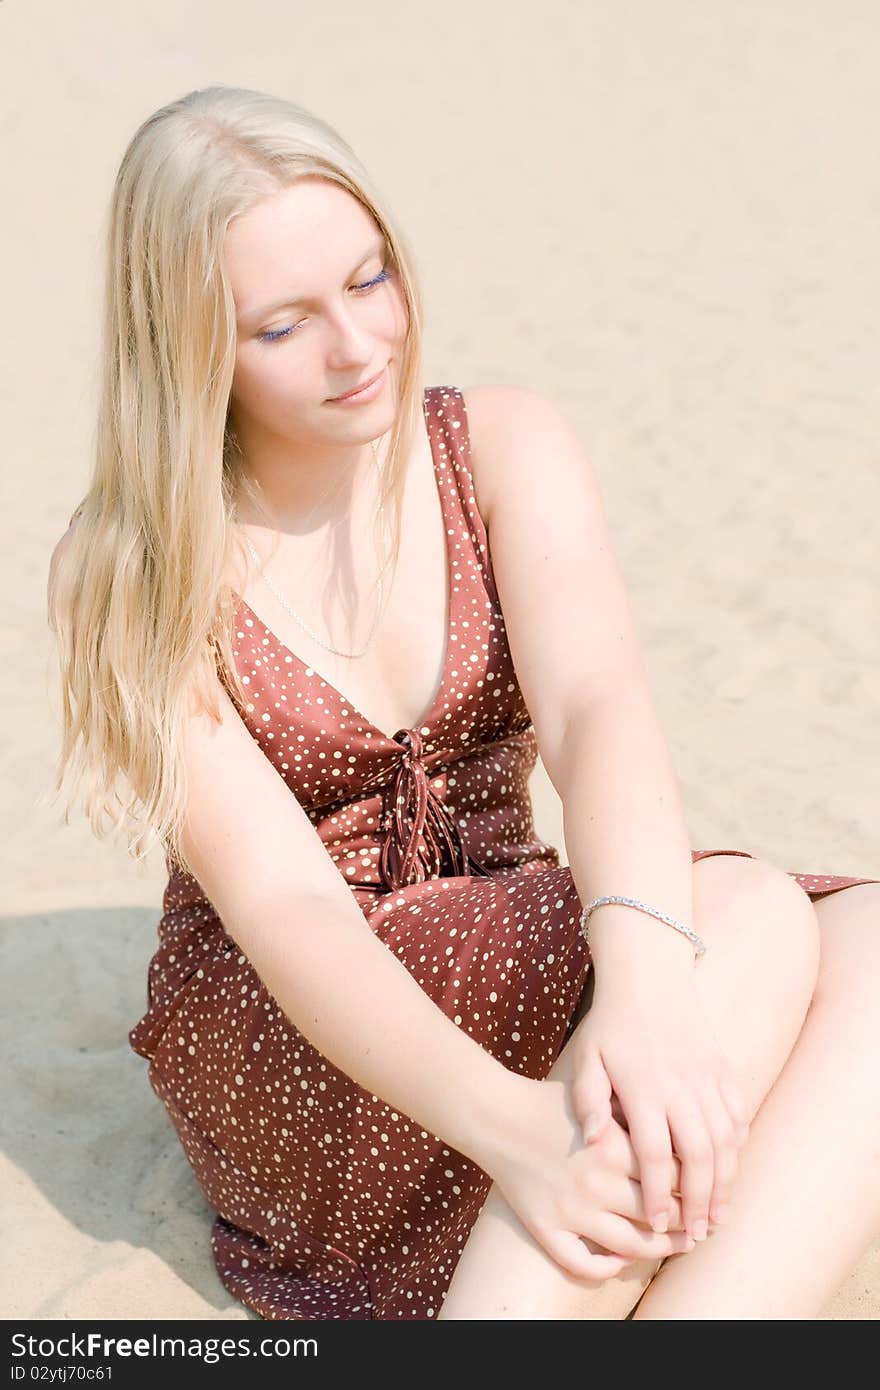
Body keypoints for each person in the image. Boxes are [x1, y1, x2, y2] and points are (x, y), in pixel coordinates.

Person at [47, 85, 879, 1322]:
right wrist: (519, 1135)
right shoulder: (136, 560)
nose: (358, 345)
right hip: (309, 1037)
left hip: (513, 950)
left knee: (861, 940)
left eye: (369, 278)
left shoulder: (496, 445)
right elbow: (285, 908)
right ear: (187, 348)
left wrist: (645, 995)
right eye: (282, 326)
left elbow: (598, 713)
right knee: (750, 913)